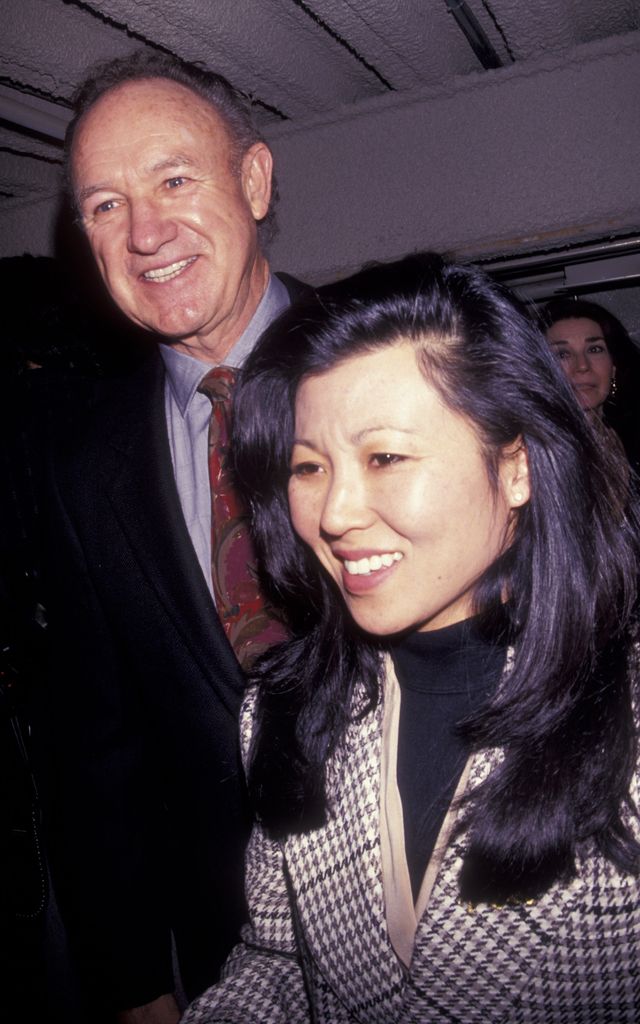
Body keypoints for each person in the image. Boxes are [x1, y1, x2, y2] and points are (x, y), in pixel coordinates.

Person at [183, 254, 640, 1023]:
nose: (334, 513)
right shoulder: (286, 707)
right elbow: (281, 958)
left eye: (385, 457)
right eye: (308, 465)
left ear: (518, 466)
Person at [26, 51, 306, 1024]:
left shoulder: (407, 358)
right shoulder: (82, 461)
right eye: (105, 205)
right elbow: (98, 741)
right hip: (227, 950)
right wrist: (133, 975)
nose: (145, 232)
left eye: (173, 180)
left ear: (254, 179)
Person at [542, 296, 640, 471]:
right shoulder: (528, 456)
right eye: (562, 354)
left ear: (614, 368)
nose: (582, 366)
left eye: (595, 349)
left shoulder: (631, 443)